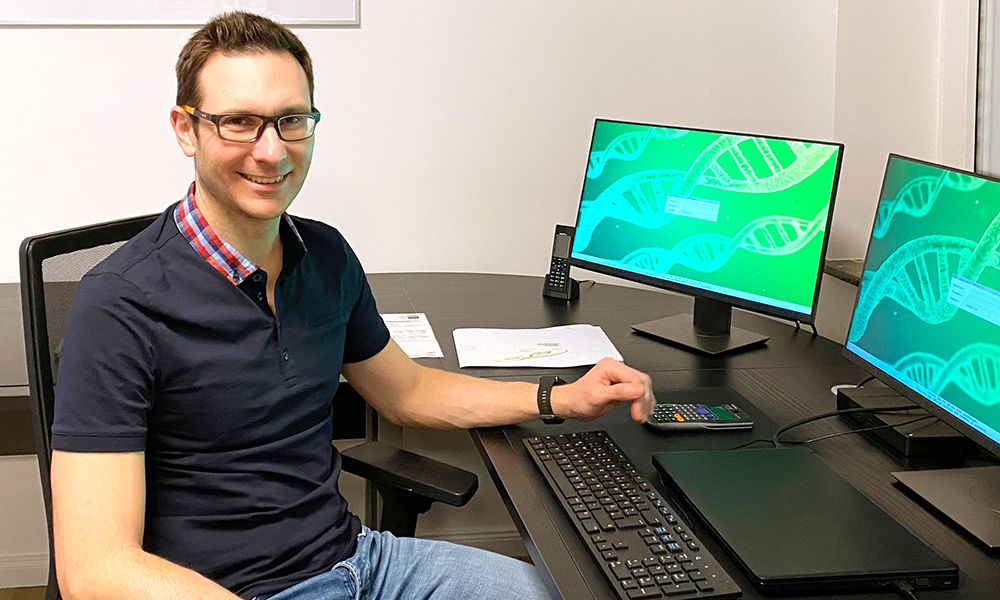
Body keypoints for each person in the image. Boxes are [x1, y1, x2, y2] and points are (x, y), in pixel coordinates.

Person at [48, 11, 655, 600]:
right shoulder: (120, 303)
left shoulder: (327, 255)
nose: (270, 151)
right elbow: (95, 569)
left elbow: (407, 392)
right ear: (186, 129)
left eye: (290, 120)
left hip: (362, 561)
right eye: (238, 122)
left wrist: (559, 397)